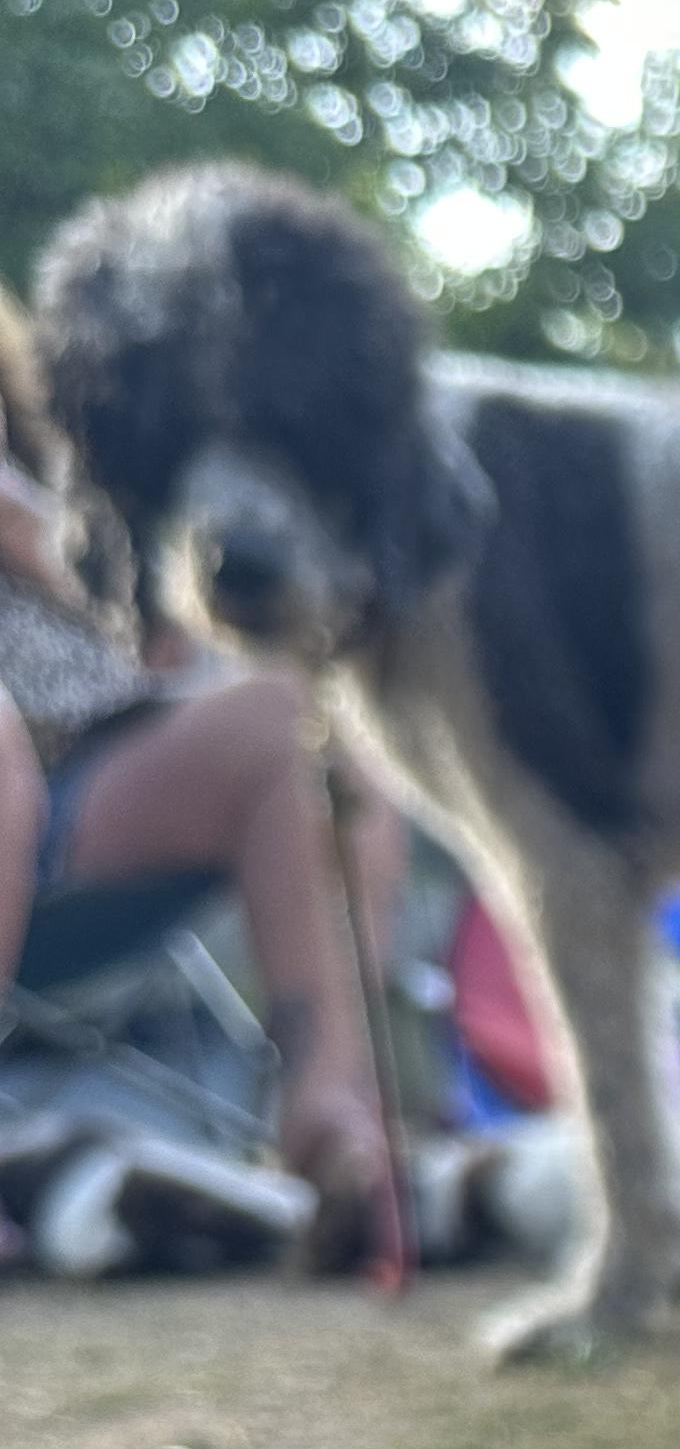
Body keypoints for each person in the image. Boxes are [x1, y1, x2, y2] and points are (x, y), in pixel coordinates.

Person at [0, 289, 395, 1251]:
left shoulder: (58, 464)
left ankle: (331, 1115)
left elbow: (169, 633)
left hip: (91, 787)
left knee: (301, 718)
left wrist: (52, 550)